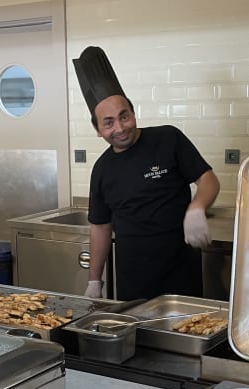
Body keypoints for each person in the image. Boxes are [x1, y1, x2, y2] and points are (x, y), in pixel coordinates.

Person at [73, 46, 220, 300]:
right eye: (108, 123)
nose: (120, 128)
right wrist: (94, 281)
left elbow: (208, 179)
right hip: (133, 281)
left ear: (133, 112)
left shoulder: (168, 138)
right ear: (97, 130)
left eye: (124, 116)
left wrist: (197, 206)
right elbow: (100, 226)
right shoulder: (102, 169)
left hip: (181, 273)